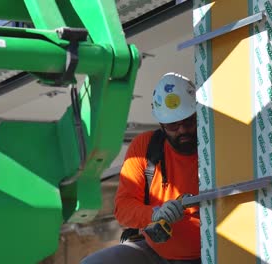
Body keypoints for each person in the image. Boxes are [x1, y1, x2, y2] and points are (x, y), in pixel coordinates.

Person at [81, 72, 200, 264]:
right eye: (173, 125)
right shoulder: (145, 147)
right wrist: (155, 213)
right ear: (161, 124)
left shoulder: (214, 149)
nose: (183, 130)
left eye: (188, 122)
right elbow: (124, 209)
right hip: (155, 253)